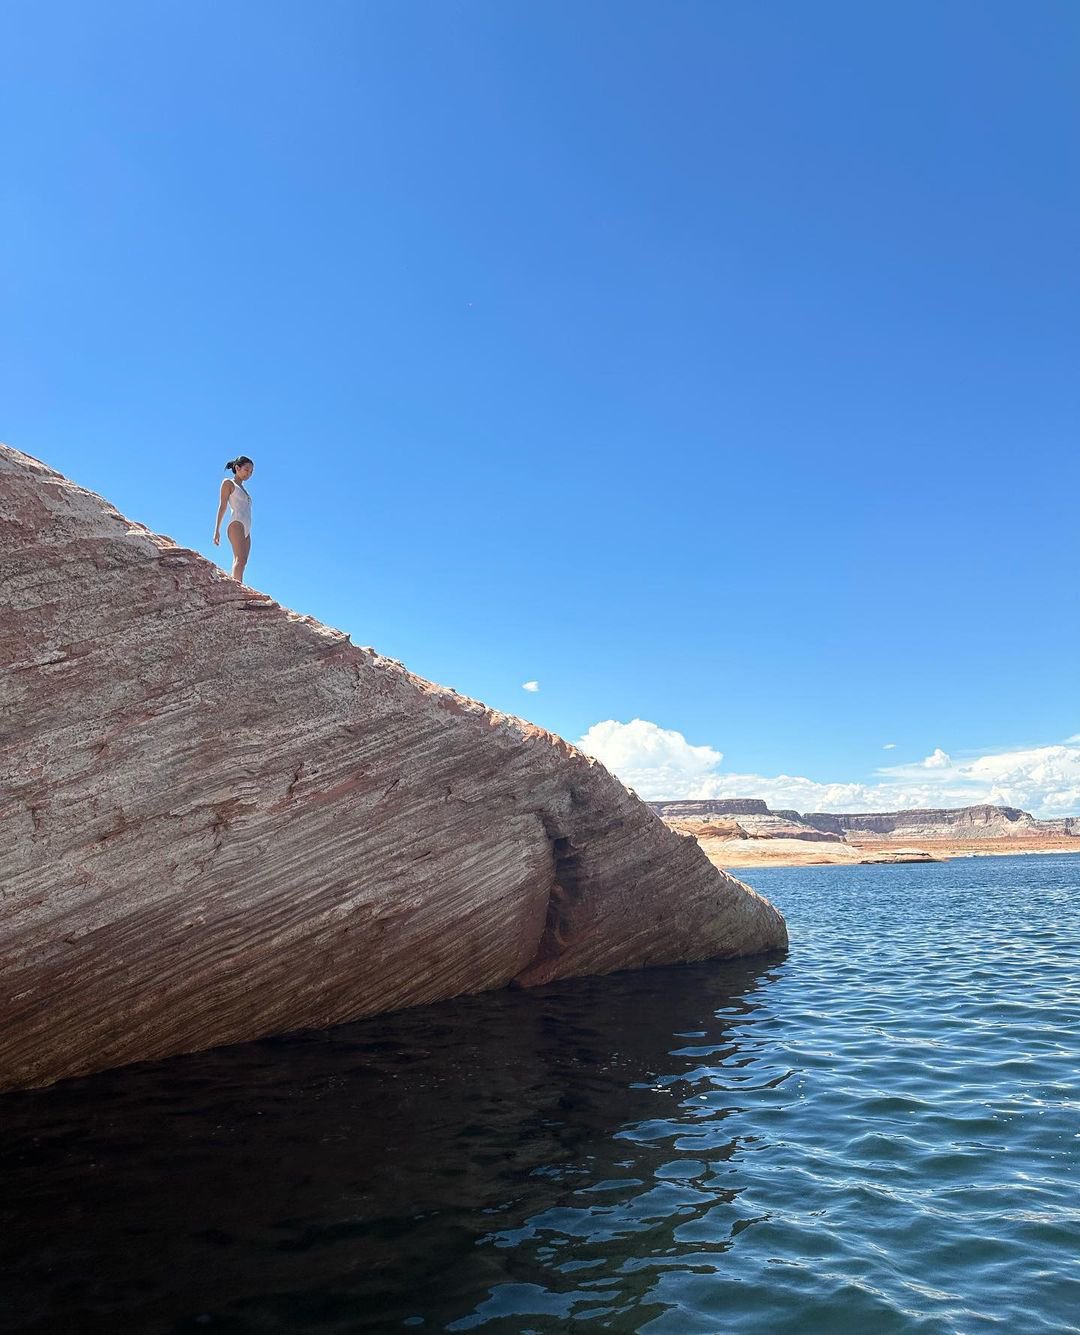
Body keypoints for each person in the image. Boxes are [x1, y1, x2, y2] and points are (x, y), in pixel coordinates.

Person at [214, 457, 254, 582]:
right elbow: (222, 506)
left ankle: (236, 583)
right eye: (246, 470)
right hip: (236, 523)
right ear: (237, 468)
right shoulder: (229, 483)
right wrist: (217, 530)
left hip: (247, 528)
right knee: (239, 559)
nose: (249, 474)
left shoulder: (245, 491)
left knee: (243, 561)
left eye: (251, 472)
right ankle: (237, 588)